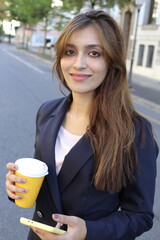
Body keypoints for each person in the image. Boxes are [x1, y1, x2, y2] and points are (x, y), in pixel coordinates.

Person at [6, 10, 159, 240]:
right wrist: (19, 186)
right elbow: (50, 182)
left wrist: (89, 231)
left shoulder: (135, 131)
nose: (78, 63)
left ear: (111, 61)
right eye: (70, 51)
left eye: (94, 53)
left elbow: (140, 215)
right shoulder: (47, 111)